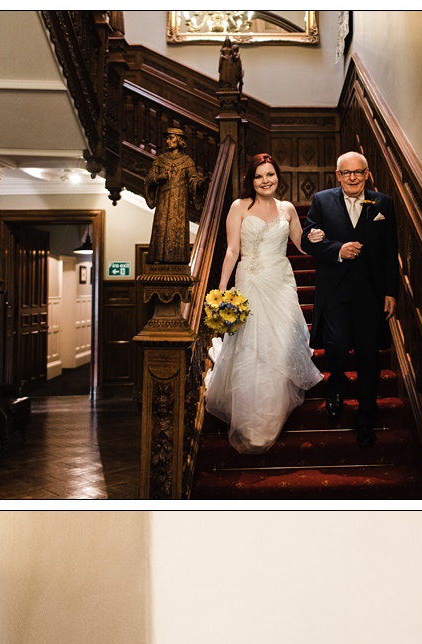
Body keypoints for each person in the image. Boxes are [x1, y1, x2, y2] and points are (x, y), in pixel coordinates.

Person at [204, 152, 324, 454]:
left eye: (270, 174)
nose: (265, 180)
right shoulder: (239, 206)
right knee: (252, 345)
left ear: (277, 177)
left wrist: (319, 237)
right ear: (251, 180)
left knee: (282, 341)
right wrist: (221, 289)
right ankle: (251, 421)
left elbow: (301, 243)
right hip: (251, 279)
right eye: (259, 176)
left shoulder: (287, 209)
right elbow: (232, 250)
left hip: (281, 281)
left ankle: (273, 412)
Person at [302, 150, 399, 448]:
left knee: (369, 356)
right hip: (335, 291)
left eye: (358, 172)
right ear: (338, 175)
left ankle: (366, 417)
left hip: (370, 293)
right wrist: (336, 250)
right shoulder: (321, 200)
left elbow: (389, 250)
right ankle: (337, 384)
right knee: (337, 344)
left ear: (367, 173)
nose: (353, 177)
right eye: (347, 173)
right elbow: (308, 240)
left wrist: (390, 291)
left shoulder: (383, 203)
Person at [144, 124, 205, 264]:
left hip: (180, 201)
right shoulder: (159, 160)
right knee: (161, 227)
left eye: (171, 138)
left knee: (177, 228)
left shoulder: (187, 161)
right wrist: (157, 178)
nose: (167, 141)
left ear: (179, 140)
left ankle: (178, 259)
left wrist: (200, 184)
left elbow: (193, 179)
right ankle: (158, 257)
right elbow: (148, 180)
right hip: (163, 201)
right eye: (167, 138)